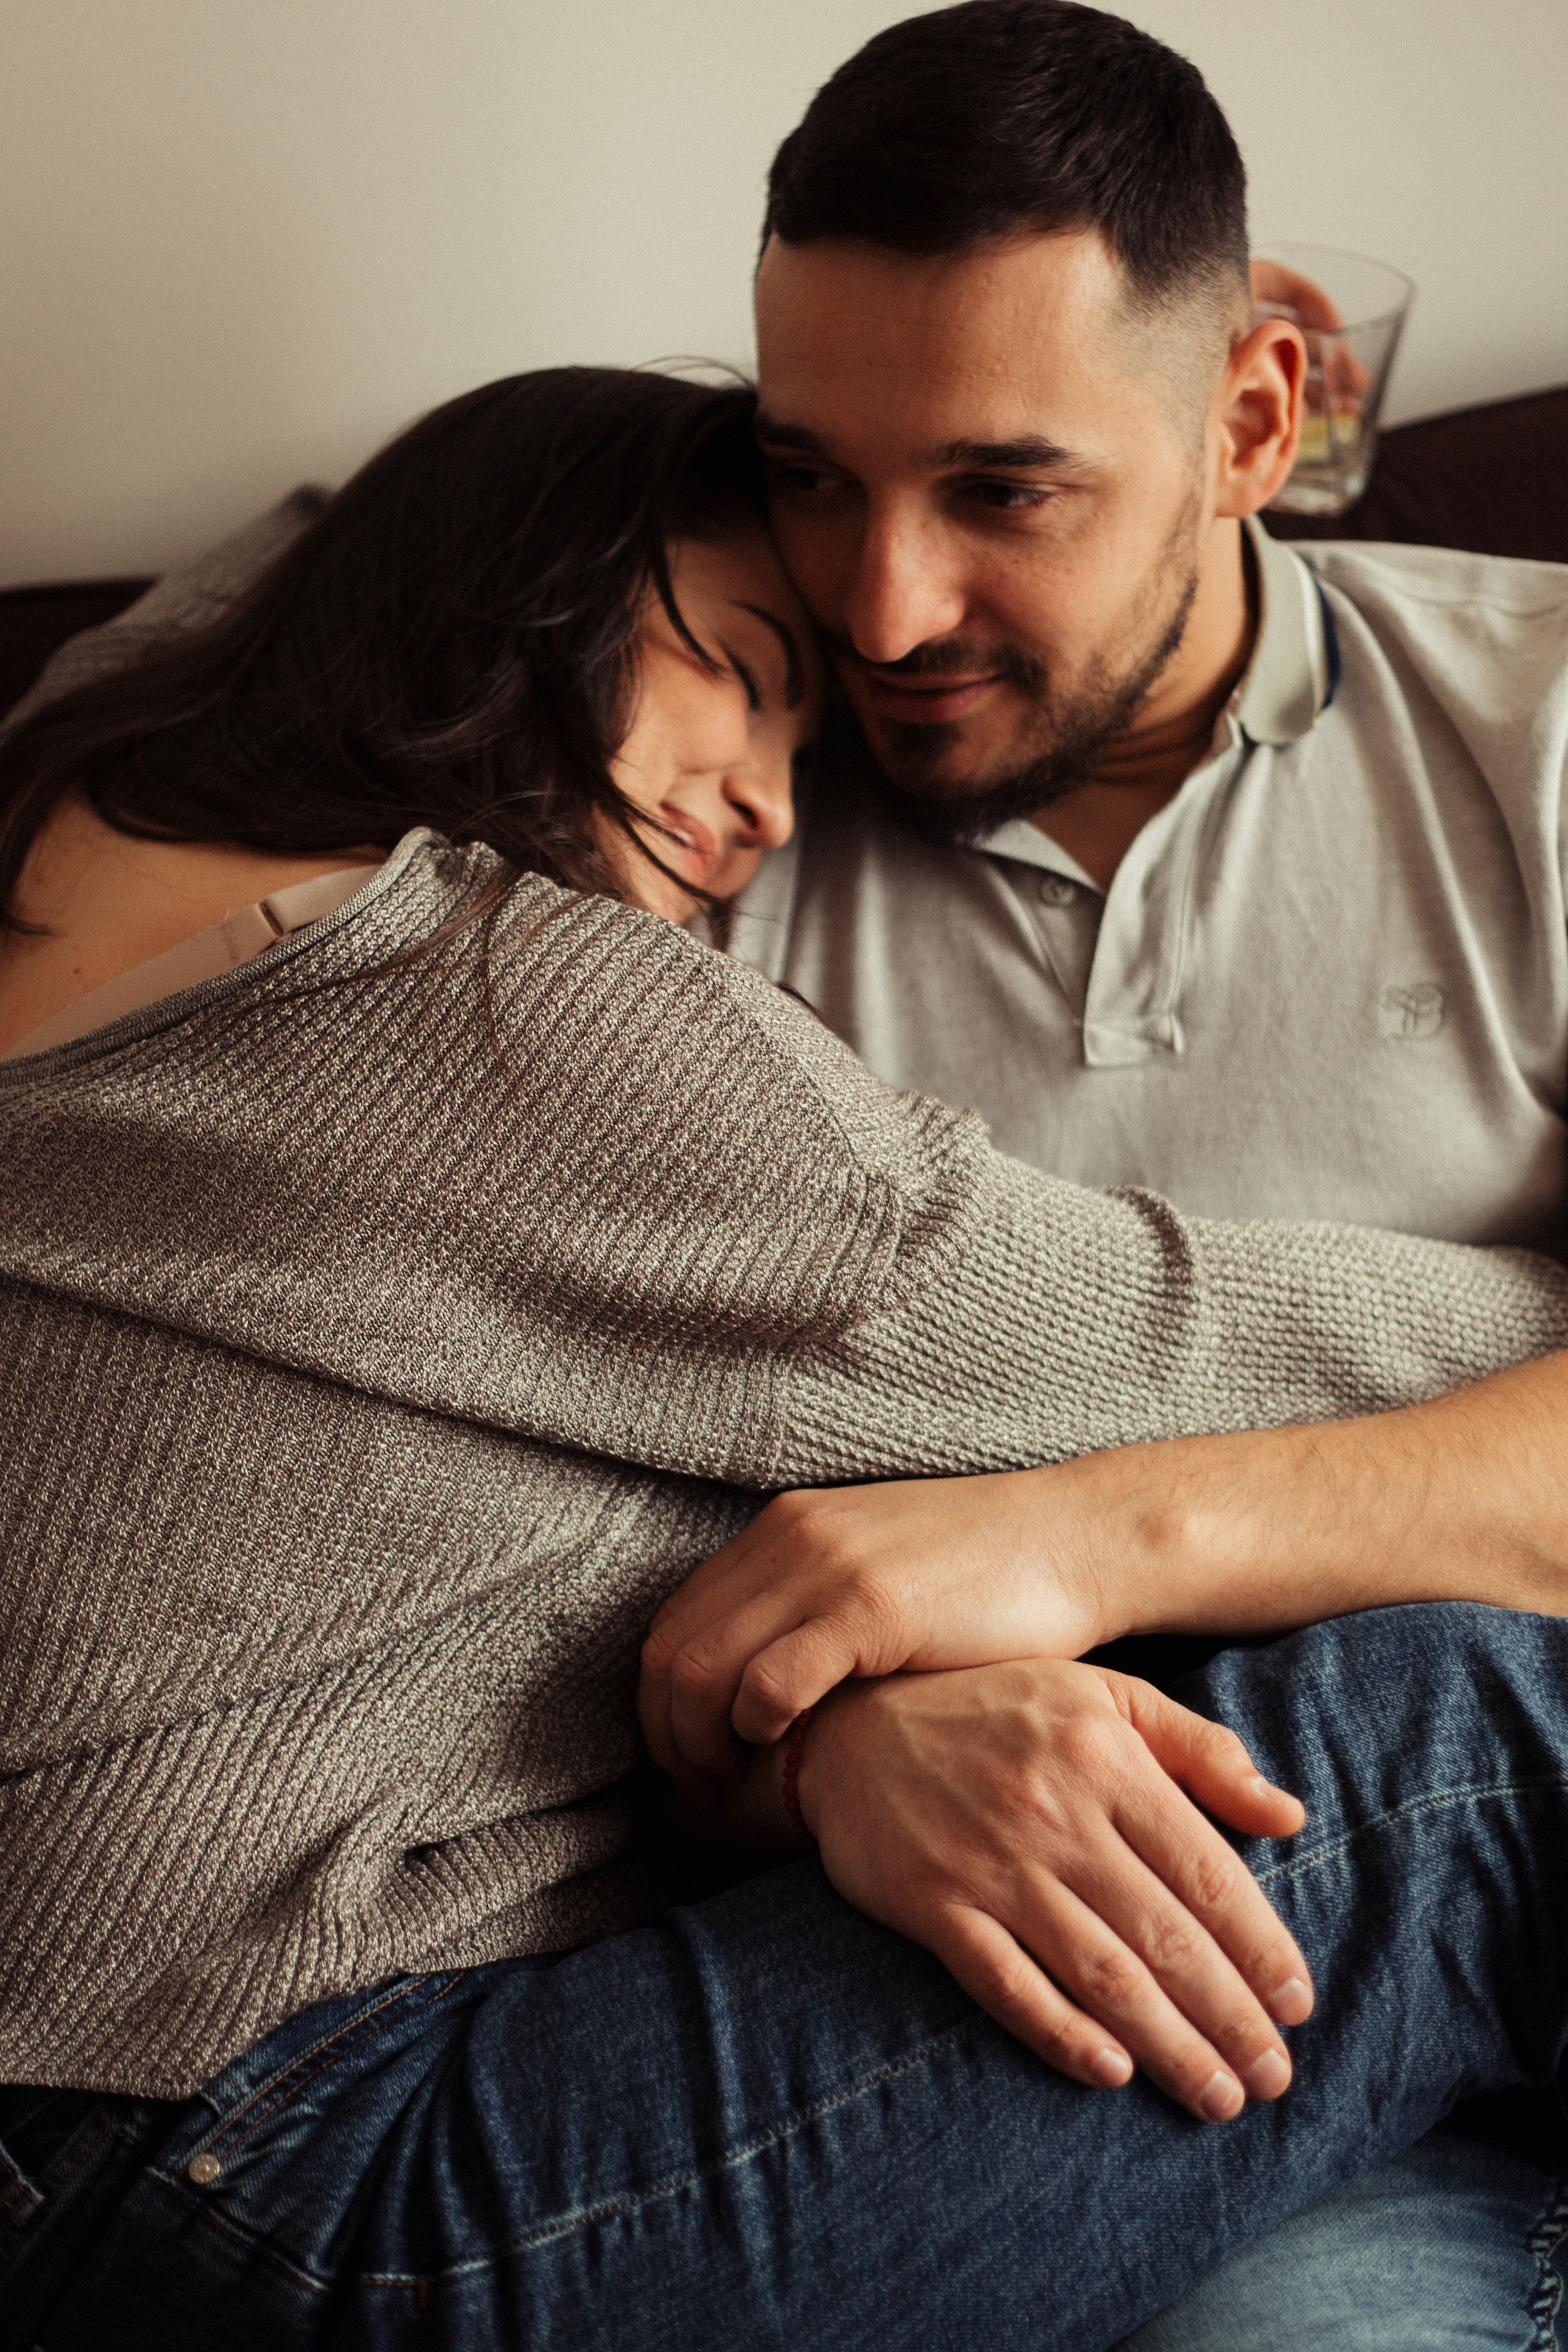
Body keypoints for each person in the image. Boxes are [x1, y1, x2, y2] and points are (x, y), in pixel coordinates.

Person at [624, 1, 1568, 2340]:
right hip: (1154, 2063)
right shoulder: (687, 820)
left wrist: (1082, 1533)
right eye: (814, 476)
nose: (882, 610)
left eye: (1001, 490)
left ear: (1252, 418)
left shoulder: (1548, 742)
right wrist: (835, 1737)